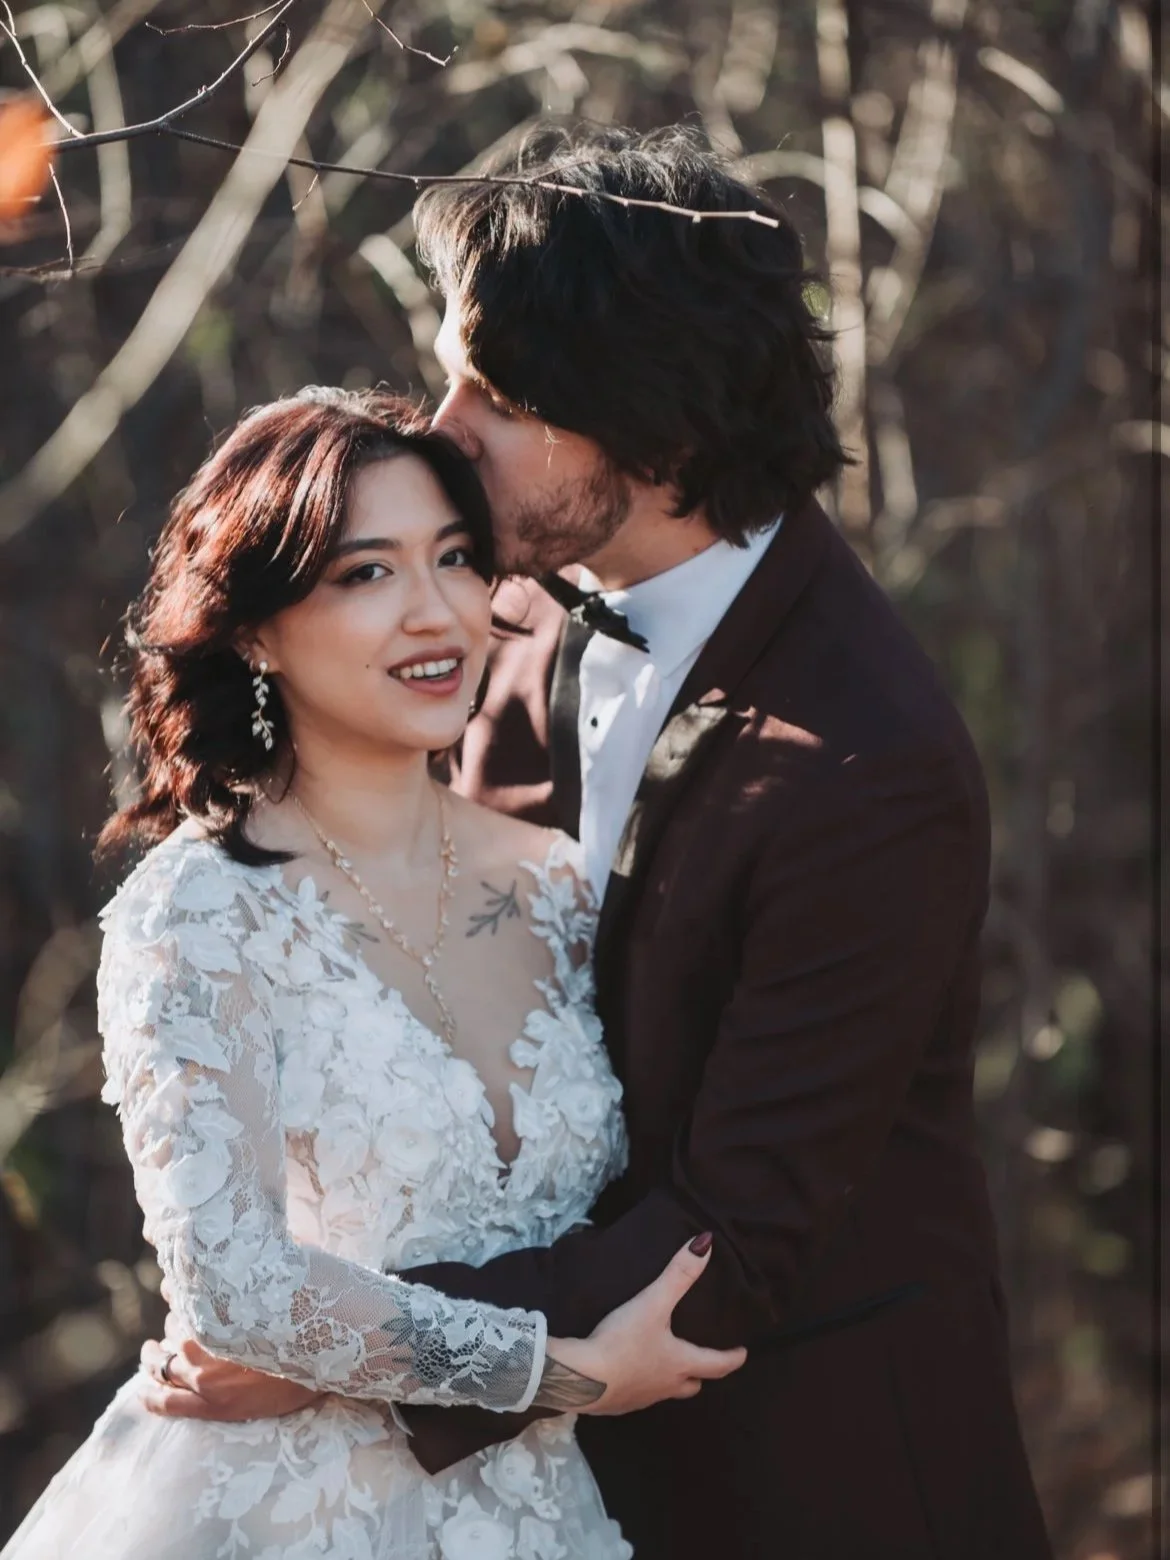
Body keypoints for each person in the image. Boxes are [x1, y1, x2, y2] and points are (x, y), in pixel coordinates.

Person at [141, 126, 1055, 1559]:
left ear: (654, 429)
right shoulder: (505, 612)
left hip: (802, 1478)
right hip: (526, 1481)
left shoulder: (866, 766)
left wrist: (354, 1352)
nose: (443, 427)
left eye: (494, 396)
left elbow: (730, 1237)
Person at [0, 388, 746, 1560]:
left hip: (549, 1517)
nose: (434, 609)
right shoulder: (197, 910)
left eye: (455, 558)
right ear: (253, 627)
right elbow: (237, 1291)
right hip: (289, 1514)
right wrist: (564, 1375)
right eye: (366, 573)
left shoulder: (559, 882)